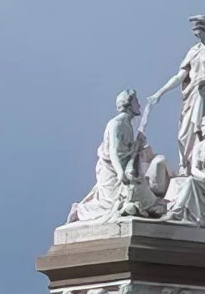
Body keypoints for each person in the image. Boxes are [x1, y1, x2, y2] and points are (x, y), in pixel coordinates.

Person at [148, 15, 205, 171]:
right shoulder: (194, 51)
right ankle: (188, 166)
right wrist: (159, 93)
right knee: (185, 134)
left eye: (199, 32)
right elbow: (180, 76)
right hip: (193, 96)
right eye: (195, 33)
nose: (197, 36)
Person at [68, 91, 163, 224]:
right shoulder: (117, 124)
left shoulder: (127, 124)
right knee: (111, 204)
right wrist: (120, 174)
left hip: (124, 168)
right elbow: (113, 152)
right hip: (111, 170)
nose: (139, 104)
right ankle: (80, 210)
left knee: (142, 193)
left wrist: (137, 145)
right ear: (129, 105)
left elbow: (126, 151)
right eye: (136, 101)